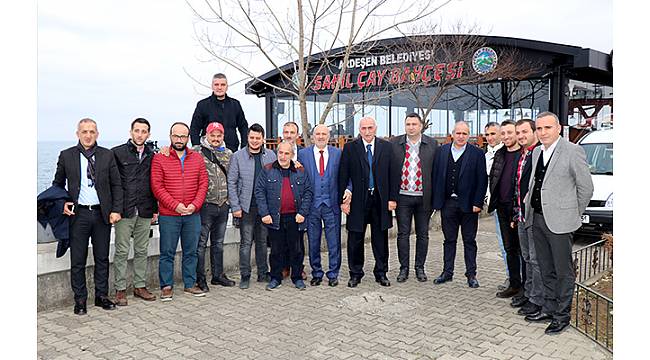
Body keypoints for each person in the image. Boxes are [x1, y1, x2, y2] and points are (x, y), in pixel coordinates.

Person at [523, 112, 593, 335]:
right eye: (539, 128)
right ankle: (549, 308)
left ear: (559, 128)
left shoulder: (573, 151)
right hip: (538, 219)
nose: (543, 132)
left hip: (561, 223)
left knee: (563, 271)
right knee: (545, 268)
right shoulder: (536, 152)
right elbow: (535, 183)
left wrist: (573, 214)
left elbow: (586, 188)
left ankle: (562, 316)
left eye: (547, 128)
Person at [53, 118, 123, 315]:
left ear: (97, 134)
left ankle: (101, 296)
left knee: (102, 257)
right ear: (78, 134)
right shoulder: (66, 156)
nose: (88, 135)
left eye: (92, 131)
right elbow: (57, 186)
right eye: (84, 131)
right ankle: (80, 300)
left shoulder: (107, 155)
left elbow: (116, 185)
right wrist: (62, 203)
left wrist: (116, 210)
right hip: (78, 215)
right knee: (78, 260)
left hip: (102, 214)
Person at [338, 117, 399, 288]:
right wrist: (342, 201)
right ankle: (355, 274)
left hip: (380, 200)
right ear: (359, 129)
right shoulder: (350, 148)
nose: (367, 131)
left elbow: (393, 174)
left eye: (370, 127)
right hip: (358, 201)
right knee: (355, 238)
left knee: (380, 239)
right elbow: (344, 174)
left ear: (375, 128)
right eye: (363, 128)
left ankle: (381, 273)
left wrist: (393, 199)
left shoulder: (387, 147)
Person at [151, 122, 209, 301]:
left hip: (193, 214)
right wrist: (175, 205)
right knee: (167, 252)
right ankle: (166, 286)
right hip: (170, 215)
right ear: (170, 137)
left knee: (191, 251)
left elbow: (203, 183)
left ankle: (190, 284)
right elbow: (157, 186)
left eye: (183, 136)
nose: (179, 140)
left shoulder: (197, 158)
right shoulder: (160, 158)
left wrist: (195, 205)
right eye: (176, 136)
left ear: (188, 138)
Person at [431, 121, 487, 288]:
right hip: (448, 203)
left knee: (469, 240)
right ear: (452, 134)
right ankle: (447, 272)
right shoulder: (441, 152)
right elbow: (436, 176)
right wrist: (436, 201)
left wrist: (478, 202)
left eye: (464, 133)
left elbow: (482, 179)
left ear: (468, 135)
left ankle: (471, 275)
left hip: (469, 205)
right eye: (458, 133)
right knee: (449, 240)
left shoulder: (477, 153)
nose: (461, 136)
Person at [111, 118, 158, 305]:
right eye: (137, 130)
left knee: (141, 250)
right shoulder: (117, 153)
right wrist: (114, 209)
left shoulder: (152, 154)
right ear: (131, 132)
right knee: (122, 251)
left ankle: (139, 286)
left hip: (145, 209)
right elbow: (113, 183)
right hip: (125, 210)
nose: (140, 134)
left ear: (149, 134)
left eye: (144, 131)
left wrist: (155, 209)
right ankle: (120, 289)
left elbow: (154, 183)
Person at [255, 142, 313, 290]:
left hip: (295, 217)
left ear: (292, 155)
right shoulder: (268, 170)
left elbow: (308, 192)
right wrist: (265, 213)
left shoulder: (300, 171)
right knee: (276, 250)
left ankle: (297, 277)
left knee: (297, 250)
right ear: (277, 153)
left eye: (287, 153)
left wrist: (302, 213)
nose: (283, 156)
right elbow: (259, 192)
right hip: (275, 218)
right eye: (280, 152)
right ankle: (275, 278)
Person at [391, 113, 438, 283]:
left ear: (421, 126)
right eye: (408, 124)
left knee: (423, 234)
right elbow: (389, 171)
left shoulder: (432, 144)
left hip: (424, 198)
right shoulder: (395, 143)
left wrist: (435, 198)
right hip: (402, 197)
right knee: (403, 234)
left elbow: (436, 173)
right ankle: (404, 268)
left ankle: (420, 268)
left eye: (414, 124)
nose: (411, 127)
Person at [228, 123, 276, 289]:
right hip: (246, 207)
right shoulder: (237, 156)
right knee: (246, 242)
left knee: (263, 242)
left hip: (265, 208)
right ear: (247, 138)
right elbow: (232, 183)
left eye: (258, 138)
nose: (255, 141)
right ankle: (245, 275)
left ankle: (263, 273)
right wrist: (235, 207)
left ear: (263, 139)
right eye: (252, 137)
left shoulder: (271, 155)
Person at [298, 124, 343, 287]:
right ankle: (316, 272)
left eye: (324, 134)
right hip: (312, 206)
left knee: (334, 241)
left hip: (331, 205)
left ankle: (333, 273)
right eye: (318, 134)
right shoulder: (303, 154)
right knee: (313, 241)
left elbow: (346, 176)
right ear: (312, 136)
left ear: (329, 137)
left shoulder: (338, 153)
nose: (321, 137)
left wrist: (349, 191)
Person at [192, 122, 235, 292]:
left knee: (218, 243)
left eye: (219, 136)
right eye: (213, 135)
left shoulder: (229, 154)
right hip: (205, 205)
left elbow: (233, 177)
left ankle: (218, 275)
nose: (216, 139)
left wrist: (229, 200)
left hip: (223, 205)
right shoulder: (196, 151)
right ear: (206, 135)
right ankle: (200, 278)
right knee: (201, 244)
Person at [510, 119, 543, 314]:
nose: (521, 136)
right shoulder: (522, 155)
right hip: (521, 216)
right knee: (527, 257)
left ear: (534, 132)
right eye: (518, 133)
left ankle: (536, 299)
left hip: (533, 216)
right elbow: (518, 189)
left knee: (535, 259)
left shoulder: (538, 154)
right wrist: (515, 215)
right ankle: (529, 294)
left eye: (524, 132)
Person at [487, 120, 523, 298]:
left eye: (510, 133)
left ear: (516, 133)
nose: (507, 136)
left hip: (517, 210)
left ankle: (526, 287)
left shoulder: (524, 154)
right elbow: (494, 178)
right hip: (501, 208)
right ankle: (514, 285)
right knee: (509, 249)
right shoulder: (500, 154)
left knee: (522, 250)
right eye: (504, 134)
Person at [190, 73, 249, 152]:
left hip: (231, 150)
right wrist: (197, 148)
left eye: (223, 85)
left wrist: (244, 147)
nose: (219, 87)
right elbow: (194, 128)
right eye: (216, 84)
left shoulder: (235, 104)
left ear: (227, 87)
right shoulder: (203, 105)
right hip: (208, 152)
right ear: (212, 86)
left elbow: (243, 127)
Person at [484, 122, 508, 291]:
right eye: (488, 134)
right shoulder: (487, 155)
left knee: (507, 245)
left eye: (493, 134)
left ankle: (513, 278)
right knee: (503, 244)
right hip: (494, 205)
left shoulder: (504, 154)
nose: (490, 137)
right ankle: (511, 276)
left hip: (504, 205)